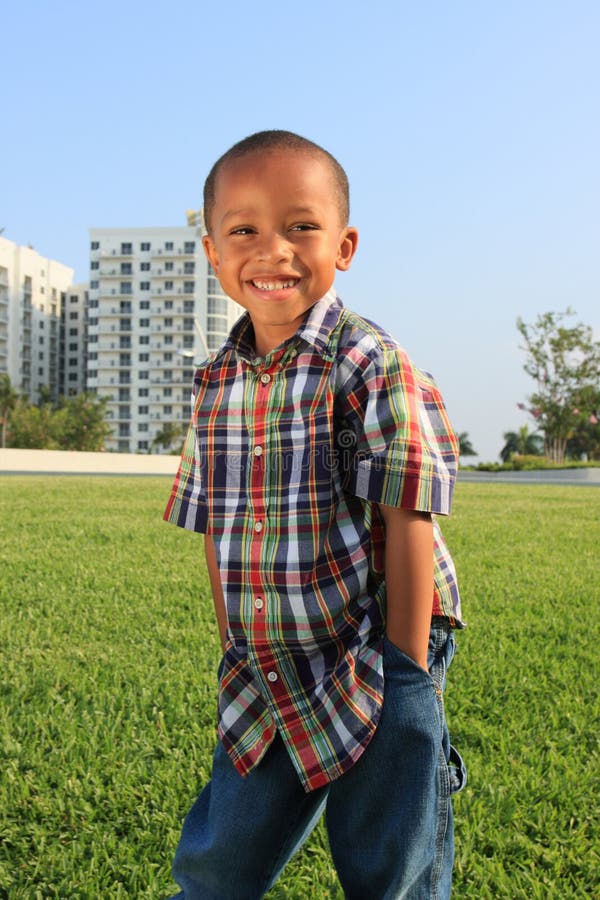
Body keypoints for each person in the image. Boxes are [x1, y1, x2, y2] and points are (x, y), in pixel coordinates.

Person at [163, 130, 466, 900]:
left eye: (301, 227)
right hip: (268, 660)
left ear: (345, 244)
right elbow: (213, 524)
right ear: (211, 251)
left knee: (386, 860)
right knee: (218, 857)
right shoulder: (214, 383)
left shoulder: (368, 362)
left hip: (373, 641)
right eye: (245, 231)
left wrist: (403, 673)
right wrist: (235, 641)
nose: (274, 252)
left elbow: (409, 518)